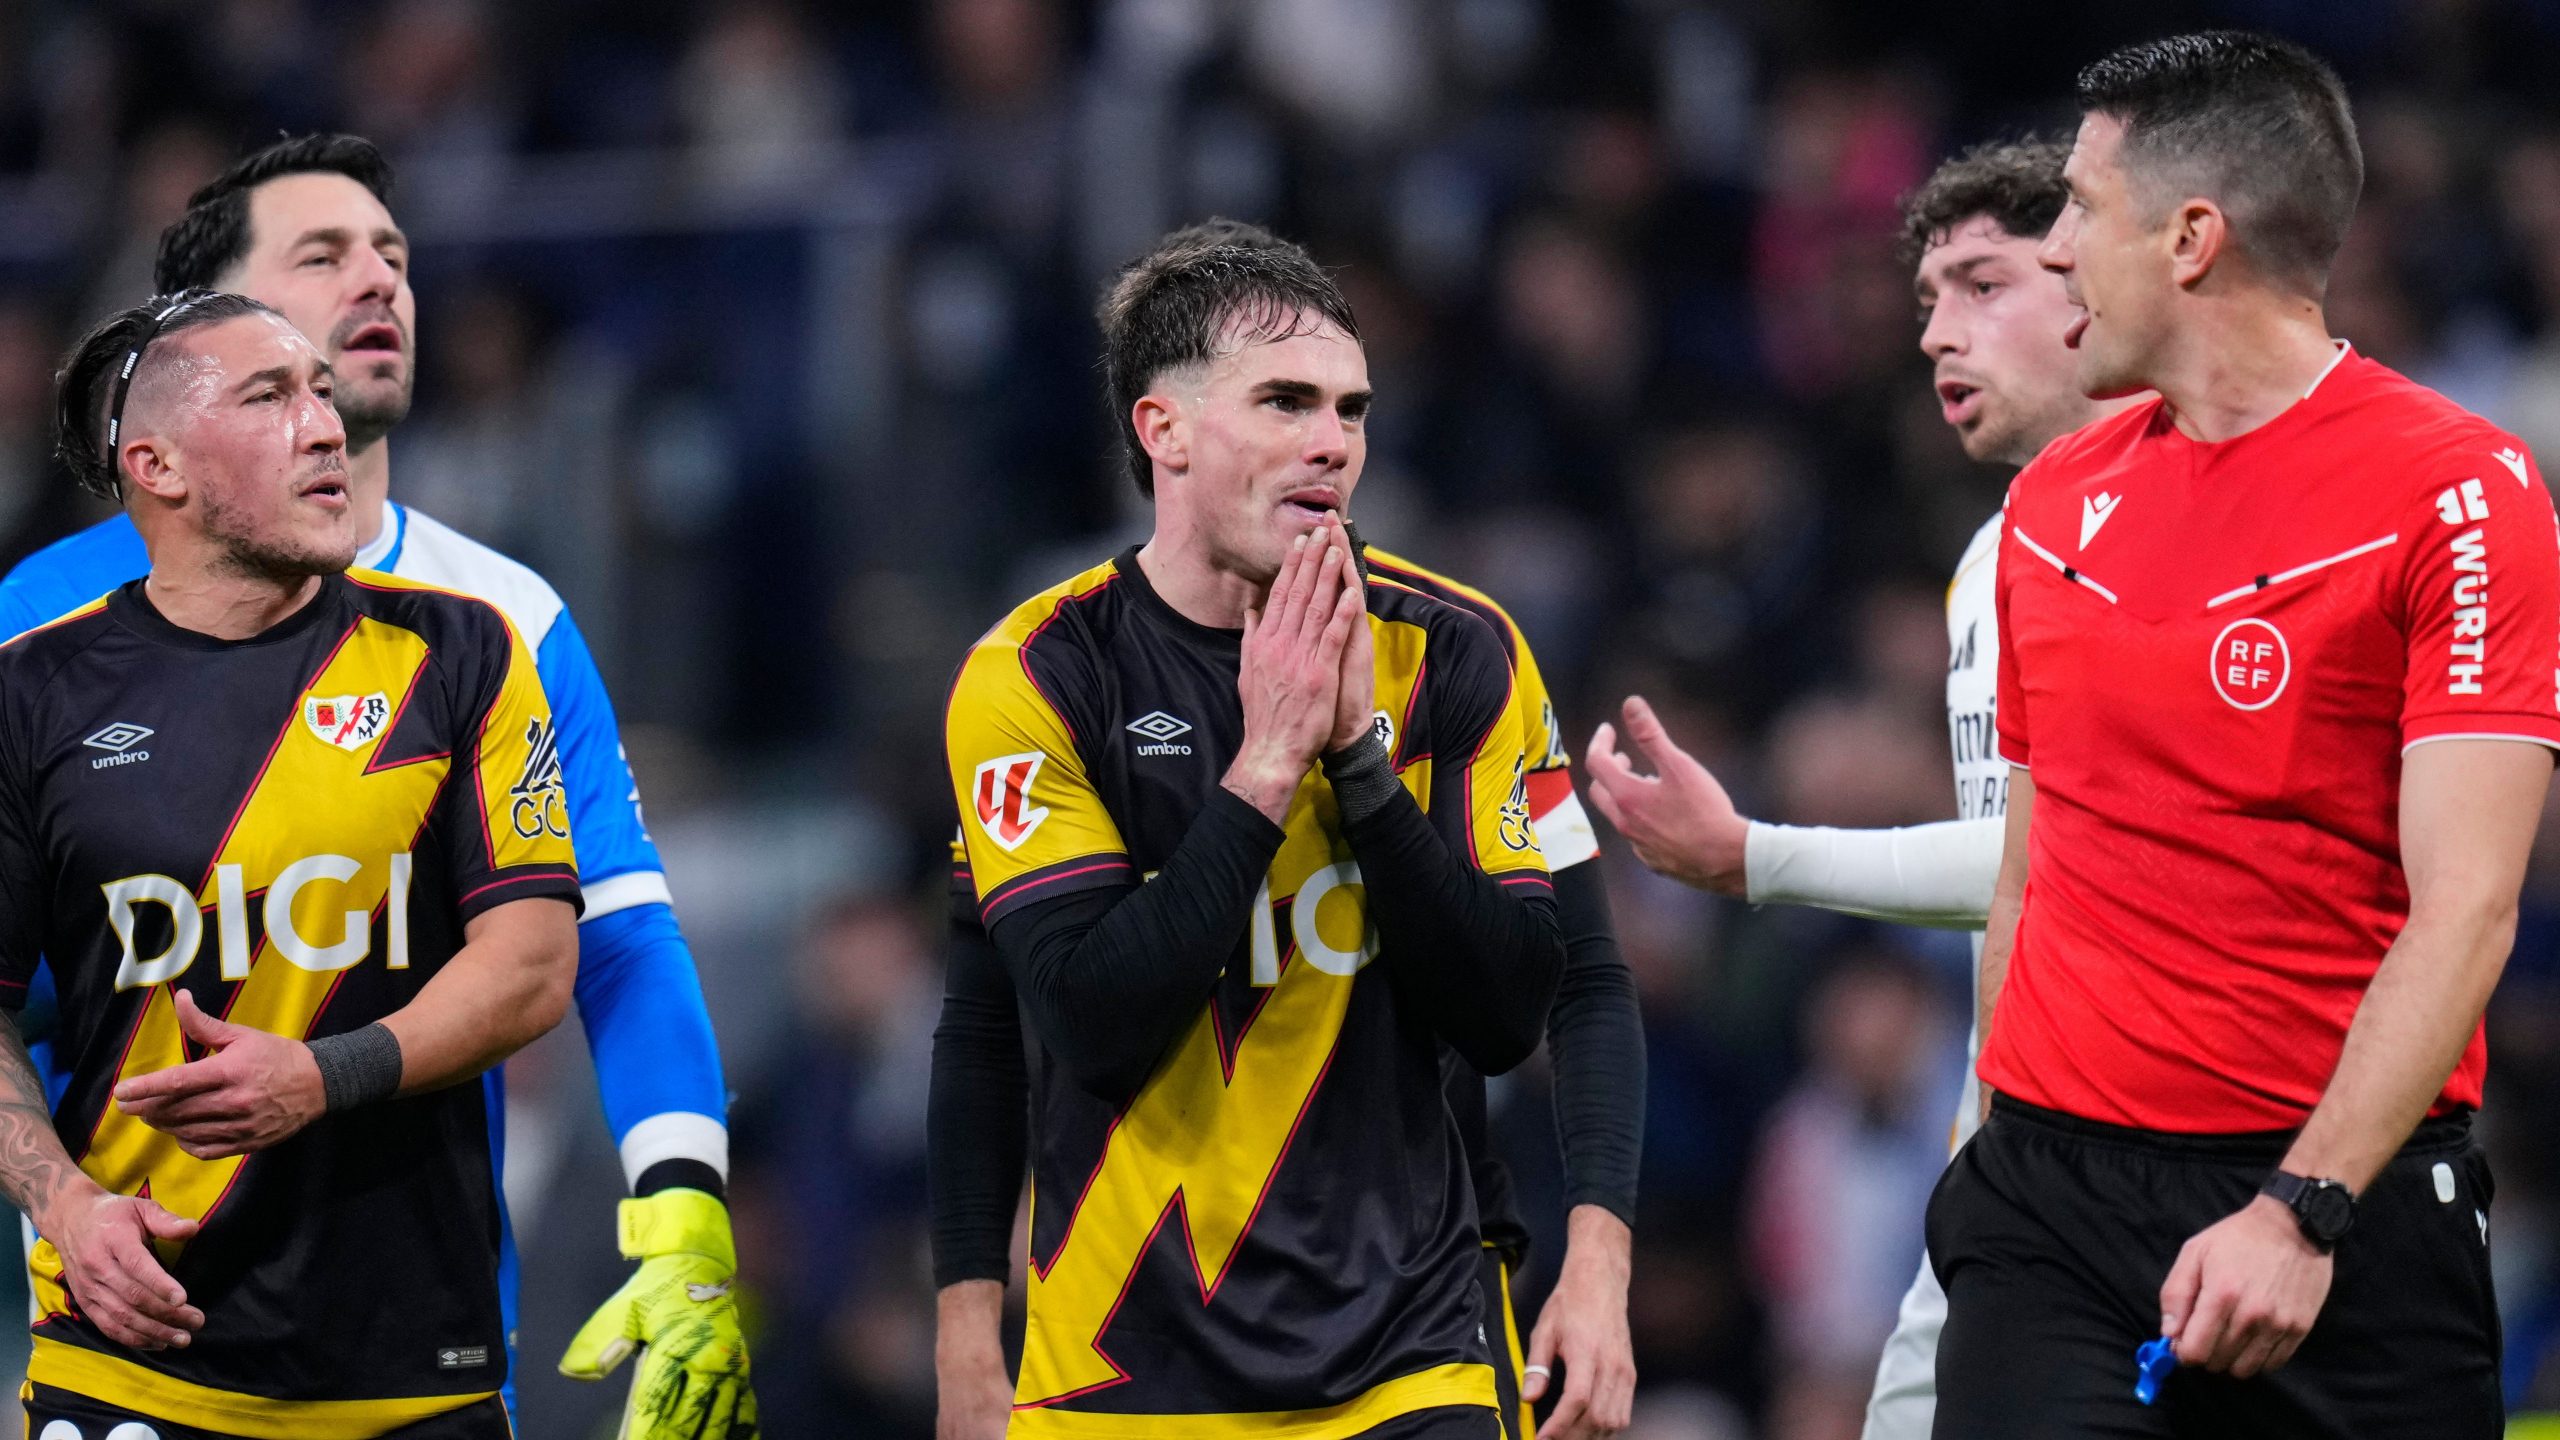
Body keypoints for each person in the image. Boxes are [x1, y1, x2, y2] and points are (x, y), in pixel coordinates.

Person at [0, 135, 751, 1435]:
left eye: (393, 255)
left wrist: (681, 1205)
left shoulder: (499, 620)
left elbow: (615, 940)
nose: (379, 281)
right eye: (323, 255)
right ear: (201, 325)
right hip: (143, 1329)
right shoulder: (35, 630)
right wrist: (66, 1189)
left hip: (419, 1338)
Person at [930, 224, 1643, 1440]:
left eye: (1350, 410)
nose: (1334, 443)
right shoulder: (1036, 676)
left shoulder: (1456, 649)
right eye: (1285, 402)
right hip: (1119, 1370)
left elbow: (1527, 1003)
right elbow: (1048, 1023)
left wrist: (1359, 763)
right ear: (1165, 431)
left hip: (1414, 1354)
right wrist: (1265, 768)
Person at [1942, 32, 2555, 1436]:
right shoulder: (2052, 503)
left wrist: (2300, 1208)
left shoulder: (2460, 493)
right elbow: (2027, 876)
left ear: (2191, 239)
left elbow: (2470, 906)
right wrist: (1988, 1151)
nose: (2053, 252)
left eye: (2080, 209)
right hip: (2047, 1212)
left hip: (2340, 1208)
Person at [1580, 139, 2137, 1439]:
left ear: (2092, 286)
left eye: (1982, 285)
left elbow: (2062, 862)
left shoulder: (2181, 537)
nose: (1938, 331)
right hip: (2016, 1151)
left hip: (2170, 1150)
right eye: (1928, 299)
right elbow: (2020, 876)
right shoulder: (1989, 559)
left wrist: (1756, 855)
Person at [6, 289, 580, 1436]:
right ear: (157, 466)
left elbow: (531, 966)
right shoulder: (30, 695)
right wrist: (62, 1203)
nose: (325, 426)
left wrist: (324, 1075)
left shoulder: (458, 651)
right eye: (269, 397)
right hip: (130, 1362)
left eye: (322, 392)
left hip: (415, 1369)